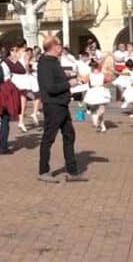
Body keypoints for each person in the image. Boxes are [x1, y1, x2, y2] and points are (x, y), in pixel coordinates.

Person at [37, 35, 83, 183]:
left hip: (61, 104)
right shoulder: (45, 63)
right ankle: (43, 170)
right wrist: (70, 83)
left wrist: (66, 77)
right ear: (54, 46)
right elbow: (50, 87)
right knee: (48, 138)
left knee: (69, 135)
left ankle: (72, 171)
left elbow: (56, 80)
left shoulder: (53, 62)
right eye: (60, 45)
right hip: (53, 105)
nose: (61, 48)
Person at [83, 61, 110, 132]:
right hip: (98, 90)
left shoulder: (91, 74)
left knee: (98, 109)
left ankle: (97, 120)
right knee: (100, 108)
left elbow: (84, 81)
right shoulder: (100, 74)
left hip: (96, 90)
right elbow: (108, 80)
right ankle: (102, 125)